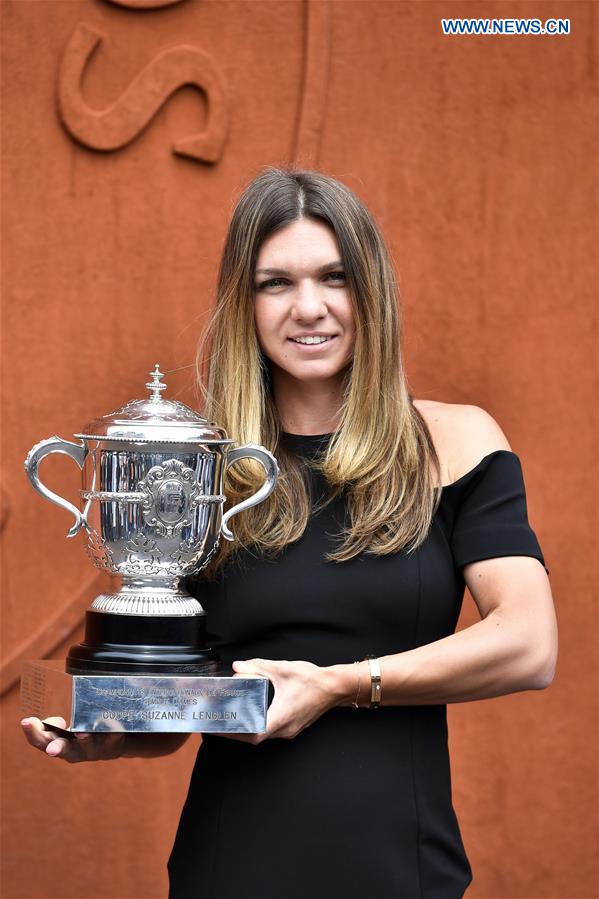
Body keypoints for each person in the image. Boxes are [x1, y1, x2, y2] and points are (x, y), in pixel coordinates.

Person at [22, 167, 558, 899]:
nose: (308, 308)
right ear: (243, 303)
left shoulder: (454, 442)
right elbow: (190, 703)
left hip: (403, 868)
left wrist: (336, 685)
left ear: (370, 290)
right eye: (275, 282)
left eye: (333, 276)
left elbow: (528, 644)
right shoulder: (207, 474)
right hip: (230, 868)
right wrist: (111, 731)